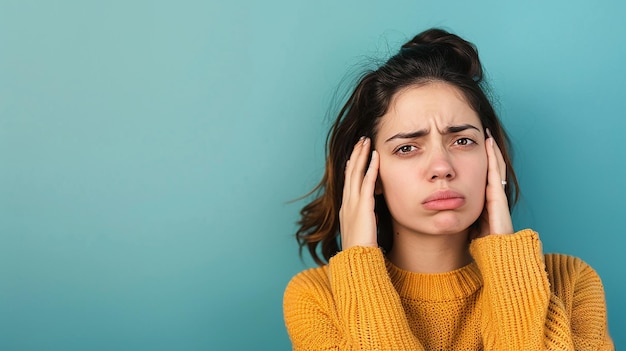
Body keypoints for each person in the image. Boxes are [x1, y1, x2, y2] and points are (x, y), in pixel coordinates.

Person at [283, 28, 614, 350]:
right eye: (407, 148)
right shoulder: (317, 298)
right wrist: (359, 269)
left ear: (491, 156)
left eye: (462, 140)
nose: (441, 167)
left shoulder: (571, 282)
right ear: (371, 173)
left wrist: (508, 267)